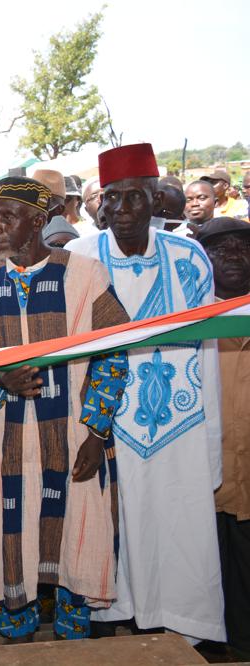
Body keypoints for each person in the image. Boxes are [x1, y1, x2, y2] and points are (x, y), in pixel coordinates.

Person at [0, 176, 130, 642]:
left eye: (7, 216)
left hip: (73, 433)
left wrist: (96, 433)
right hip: (8, 438)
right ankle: (19, 636)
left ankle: (74, 637)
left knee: (78, 527)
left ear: (37, 221)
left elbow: (114, 353)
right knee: (11, 529)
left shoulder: (84, 273)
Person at [65, 143, 225, 644]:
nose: (123, 211)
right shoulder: (79, 258)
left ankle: (185, 628)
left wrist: (211, 444)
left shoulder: (190, 257)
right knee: (114, 539)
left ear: (156, 199)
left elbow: (208, 355)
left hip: (180, 426)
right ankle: (117, 623)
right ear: (101, 203)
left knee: (180, 527)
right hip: (106, 431)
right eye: (112, 199)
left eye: (135, 198)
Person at [196, 217, 250, 658]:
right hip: (206, 475)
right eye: (220, 249)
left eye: (241, 247)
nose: (233, 256)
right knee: (208, 567)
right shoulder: (186, 317)